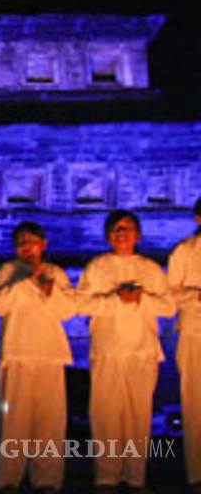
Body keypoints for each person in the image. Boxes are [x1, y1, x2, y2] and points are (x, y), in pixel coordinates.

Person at [77, 209, 175, 491]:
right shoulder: (97, 266)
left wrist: (140, 299)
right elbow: (81, 305)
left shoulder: (150, 268)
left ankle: (135, 476)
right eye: (117, 228)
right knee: (105, 414)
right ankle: (107, 475)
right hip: (107, 348)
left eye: (128, 228)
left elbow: (168, 307)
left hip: (142, 350)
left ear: (138, 235)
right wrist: (115, 299)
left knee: (138, 415)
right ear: (109, 236)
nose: (122, 233)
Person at [0, 221, 76, 493]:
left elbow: (68, 311)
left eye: (32, 241)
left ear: (43, 244)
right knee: (15, 421)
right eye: (21, 242)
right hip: (17, 353)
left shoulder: (55, 272)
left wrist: (50, 292)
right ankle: (8, 479)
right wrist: (26, 283)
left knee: (50, 421)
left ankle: (47, 479)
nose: (27, 246)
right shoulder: (8, 270)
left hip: (50, 353)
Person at [168, 197, 201, 493]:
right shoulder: (184, 251)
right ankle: (197, 473)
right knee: (195, 403)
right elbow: (171, 293)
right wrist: (196, 296)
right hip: (194, 332)